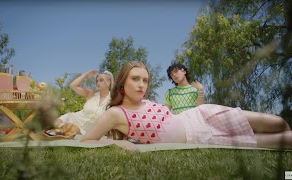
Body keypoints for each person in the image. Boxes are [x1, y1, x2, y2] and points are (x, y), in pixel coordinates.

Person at [80, 61, 292, 151]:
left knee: (280, 122)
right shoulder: (116, 113)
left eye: (145, 80)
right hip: (202, 137)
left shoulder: (148, 101)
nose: (142, 85)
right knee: (286, 140)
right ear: (123, 82)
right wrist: (117, 144)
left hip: (204, 115)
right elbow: (86, 140)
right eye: (135, 79)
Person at [45, 69, 114, 137]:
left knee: (72, 129)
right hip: (73, 118)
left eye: (101, 80)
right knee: (56, 123)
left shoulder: (112, 100)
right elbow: (73, 85)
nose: (98, 83)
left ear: (109, 82)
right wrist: (85, 75)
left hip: (85, 130)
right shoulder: (91, 94)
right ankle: (51, 131)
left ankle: (54, 132)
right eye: (97, 81)